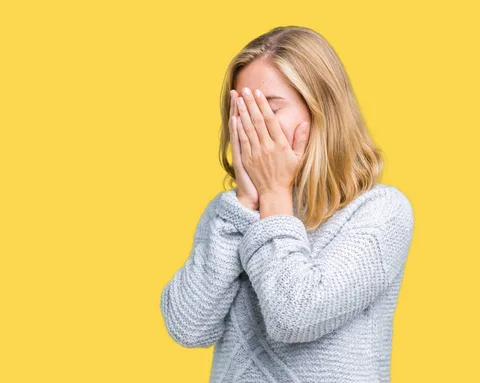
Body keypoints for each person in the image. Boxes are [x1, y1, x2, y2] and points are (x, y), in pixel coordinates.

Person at [159, 25, 415, 383]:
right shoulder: (232, 213)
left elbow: (294, 315)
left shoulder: (381, 213)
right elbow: (188, 327)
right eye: (242, 112)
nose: (252, 128)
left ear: (322, 111)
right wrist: (247, 204)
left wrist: (274, 194)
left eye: (267, 110)